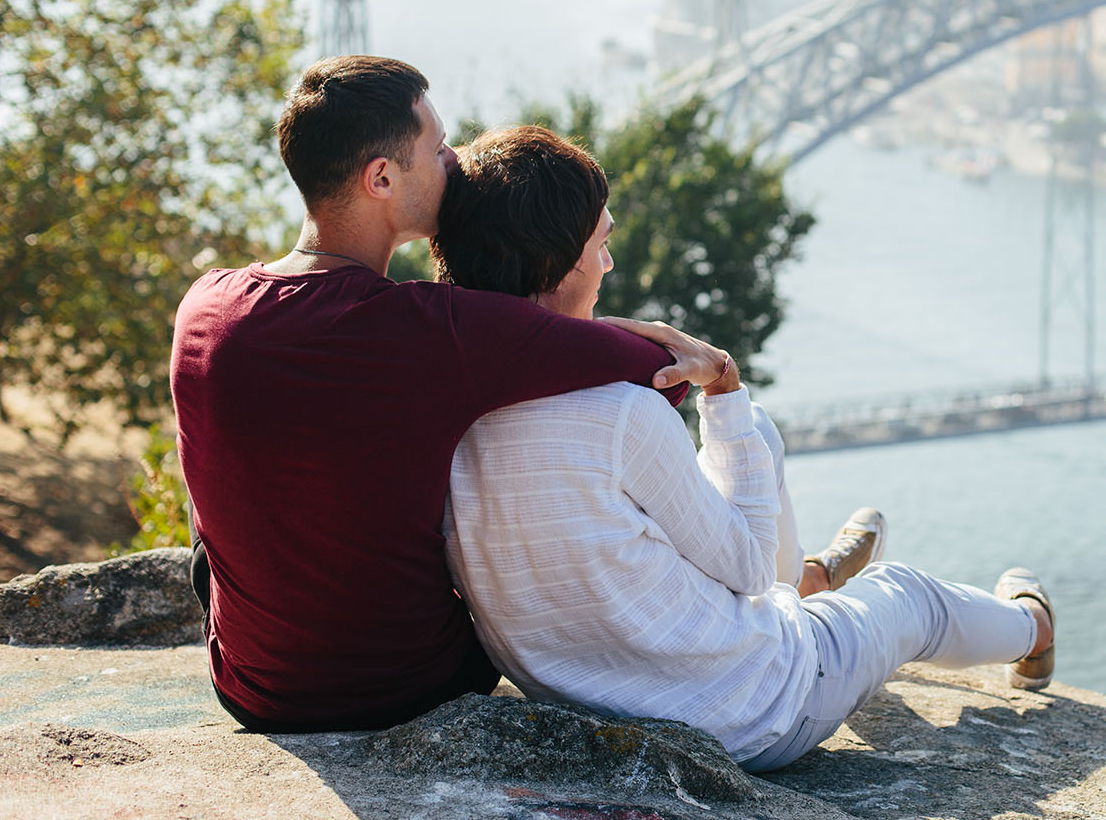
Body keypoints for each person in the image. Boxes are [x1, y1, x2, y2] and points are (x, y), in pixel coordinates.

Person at [434, 125, 1056, 771]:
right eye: (602, 244)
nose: (608, 264)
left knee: (733, 462)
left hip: (591, 709)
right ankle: (1032, 626)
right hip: (759, 711)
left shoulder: (439, 412)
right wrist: (723, 389)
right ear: (555, 264)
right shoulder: (618, 414)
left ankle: (808, 586)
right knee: (906, 595)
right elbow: (749, 566)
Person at [170, 56, 732, 733]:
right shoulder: (437, 329)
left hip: (251, 689)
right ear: (381, 177)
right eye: (437, 149)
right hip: (416, 689)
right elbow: (655, 371)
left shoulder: (204, 307)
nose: (457, 163)